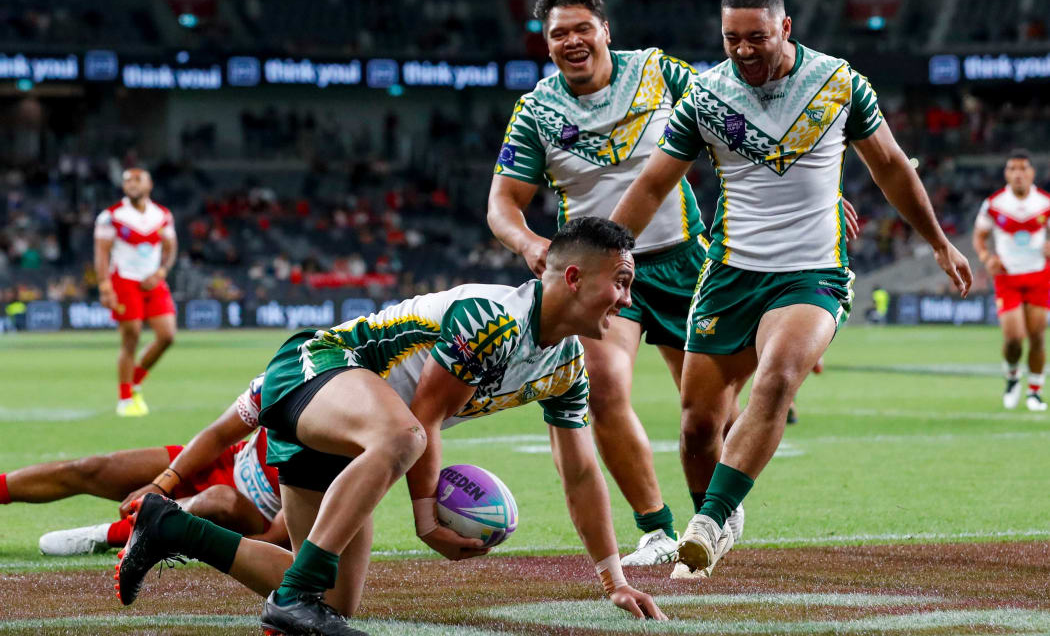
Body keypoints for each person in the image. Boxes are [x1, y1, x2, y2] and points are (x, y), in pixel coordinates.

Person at [115, 217, 667, 635]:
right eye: (620, 282)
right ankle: (293, 597)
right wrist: (427, 521)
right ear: (573, 277)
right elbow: (422, 417)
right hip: (318, 368)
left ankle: (172, 528)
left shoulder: (567, 367)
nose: (626, 299)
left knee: (336, 603)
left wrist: (613, 579)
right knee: (404, 437)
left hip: (355, 432)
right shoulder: (492, 319)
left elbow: (579, 473)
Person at [610, 0, 971, 578]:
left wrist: (937, 241)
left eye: (756, 37)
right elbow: (653, 183)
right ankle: (719, 518)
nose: (744, 50)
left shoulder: (838, 83)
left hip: (812, 272)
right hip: (729, 273)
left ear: (787, 28)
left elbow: (888, 165)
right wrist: (609, 255)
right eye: (731, 39)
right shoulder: (705, 96)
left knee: (777, 378)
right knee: (698, 426)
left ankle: (706, 523)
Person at [0, 374, 286, 554]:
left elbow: (277, 537)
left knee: (219, 500)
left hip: (256, 516)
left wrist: (215, 543)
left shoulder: (331, 437)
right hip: (221, 464)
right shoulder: (286, 377)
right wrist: (162, 483)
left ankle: (105, 535)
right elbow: (217, 435)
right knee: (92, 468)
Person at [94, 168, 178, 417]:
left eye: (137, 180)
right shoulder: (111, 216)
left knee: (167, 336)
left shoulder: (162, 215)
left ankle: (136, 379)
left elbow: (170, 247)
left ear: (149, 184)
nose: (131, 184)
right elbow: (101, 253)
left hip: (153, 282)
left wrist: (161, 272)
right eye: (127, 180)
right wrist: (104, 286)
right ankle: (125, 398)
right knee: (131, 339)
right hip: (124, 282)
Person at [973, 149, 1050, 411]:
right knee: (1014, 338)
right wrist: (986, 258)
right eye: (1013, 169)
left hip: (1039, 275)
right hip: (1008, 277)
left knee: (1038, 336)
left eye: (1023, 168)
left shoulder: (1044, 202)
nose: (1018, 174)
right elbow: (979, 236)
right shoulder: (994, 204)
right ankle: (1013, 375)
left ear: (1032, 172)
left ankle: (1035, 391)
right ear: (1006, 173)